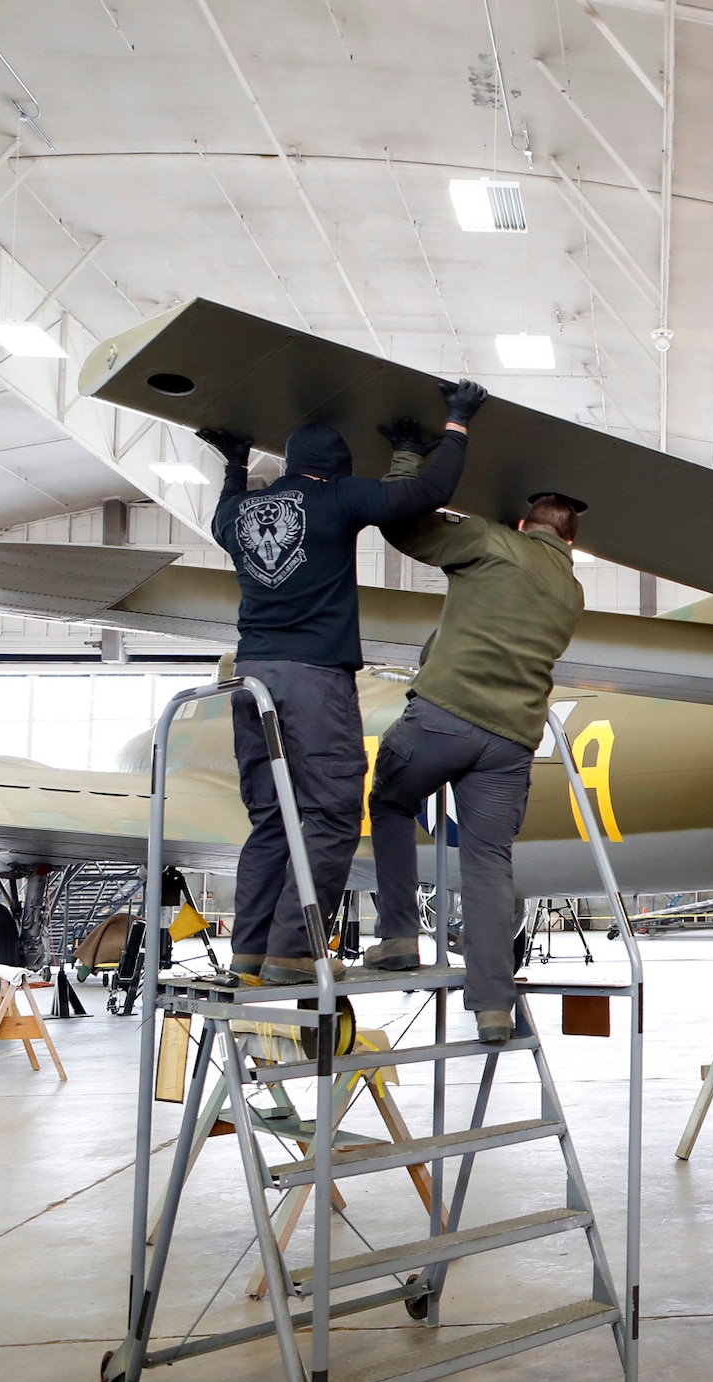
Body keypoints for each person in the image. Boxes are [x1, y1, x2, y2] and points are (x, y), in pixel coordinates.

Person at [199, 378, 487, 986]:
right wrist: (457, 422)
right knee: (331, 813)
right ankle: (293, 953)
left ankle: (250, 953)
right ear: (334, 473)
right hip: (312, 676)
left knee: (272, 819)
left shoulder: (242, 515)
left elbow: (225, 506)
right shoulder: (335, 499)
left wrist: (234, 460)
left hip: (249, 679)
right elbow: (428, 492)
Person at [367, 480, 586, 1044]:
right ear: (570, 541)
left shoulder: (491, 543)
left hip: (444, 717)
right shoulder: (572, 591)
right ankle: (493, 1005)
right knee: (489, 864)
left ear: (522, 526)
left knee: (389, 801)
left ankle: (398, 937)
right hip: (512, 740)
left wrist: (411, 463)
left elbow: (403, 526)